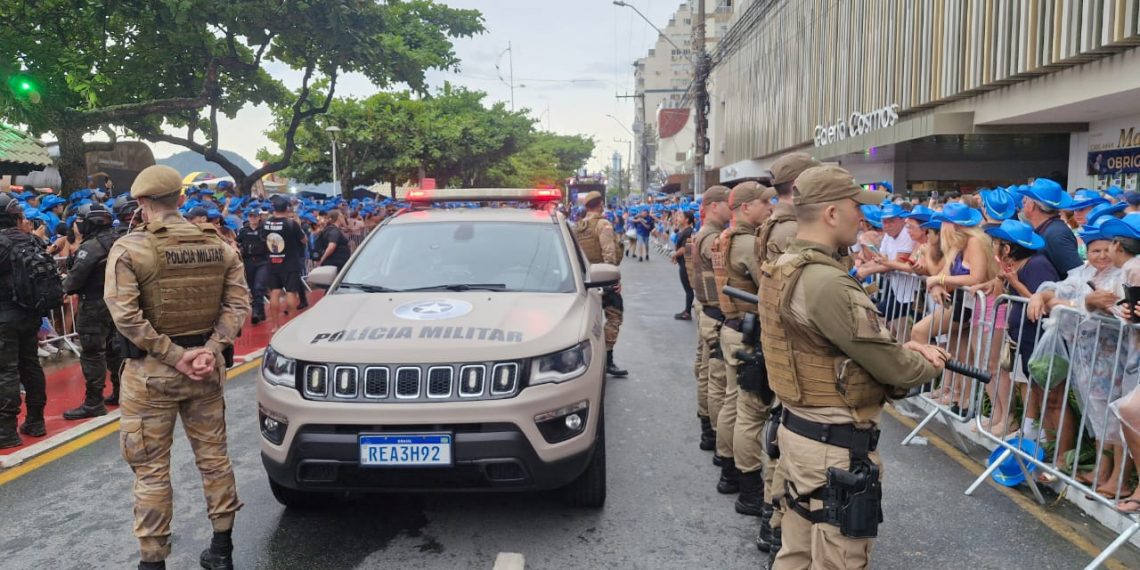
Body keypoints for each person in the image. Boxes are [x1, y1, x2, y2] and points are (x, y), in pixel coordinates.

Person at [759, 165, 946, 569]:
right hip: (832, 448)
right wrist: (928, 361)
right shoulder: (827, 282)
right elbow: (894, 368)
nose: (862, 218)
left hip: (800, 432)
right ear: (830, 214)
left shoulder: (786, 265)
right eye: (855, 206)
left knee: (796, 555)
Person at [104, 165, 250, 570]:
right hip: (205, 369)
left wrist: (172, 355)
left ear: (141, 202)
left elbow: (127, 317)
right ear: (181, 200)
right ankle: (222, 551)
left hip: (151, 374)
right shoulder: (219, 245)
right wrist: (209, 348)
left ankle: (153, 561)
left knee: (151, 470)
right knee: (215, 458)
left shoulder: (131, 249)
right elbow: (238, 305)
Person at [752, 151, 820, 555]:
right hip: (795, 346)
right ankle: (776, 521)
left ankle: (775, 517)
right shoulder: (789, 229)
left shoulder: (776, 224)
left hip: (782, 341)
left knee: (783, 432)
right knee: (788, 437)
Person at [713, 181, 774, 511]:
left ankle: (729, 472)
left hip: (732, 326)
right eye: (765, 203)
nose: (770, 208)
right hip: (747, 331)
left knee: (734, 401)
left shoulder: (728, 237)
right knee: (749, 410)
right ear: (747, 207)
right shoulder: (748, 242)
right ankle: (748, 487)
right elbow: (769, 286)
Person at [62, 204, 123, 418]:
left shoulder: (92, 247)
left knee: (92, 354)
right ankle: (121, 391)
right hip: (117, 303)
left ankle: (94, 402)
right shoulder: (119, 240)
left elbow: (74, 281)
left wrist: (63, 287)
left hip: (95, 304)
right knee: (115, 348)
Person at [0, 194, 50, 448]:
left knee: (6, 371)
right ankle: (36, 420)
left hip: (5, 317)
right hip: (30, 314)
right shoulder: (32, 240)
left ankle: (6, 430)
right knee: (30, 365)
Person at [688, 186, 731, 453]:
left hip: (707, 310)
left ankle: (709, 430)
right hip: (715, 313)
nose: (732, 207)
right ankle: (715, 436)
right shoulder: (713, 238)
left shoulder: (704, 234)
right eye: (728, 203)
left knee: (706, 374)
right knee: (717, 381)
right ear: (715, 206)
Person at [574, 191, 628, 377]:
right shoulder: (603, 224)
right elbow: (609, 255)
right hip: (603, 280)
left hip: (583, 280)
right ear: (601, 204)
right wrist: (614, 280)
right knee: (614, 317)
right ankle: (606, 359)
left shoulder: (577, 226)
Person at [1019, 178, 1083, 277]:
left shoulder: (1056, 234)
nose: (1022, 202)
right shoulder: (1048, 229)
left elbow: (1076, 274)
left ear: (1032, 205)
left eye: (1026, 199)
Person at [263, 197, 307, 331]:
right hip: (290, 263)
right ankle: (291, 324)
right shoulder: (291, 223)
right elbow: (304, 240)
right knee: (291, 293)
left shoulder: (266, 223)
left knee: (274, 293)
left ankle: (275, 325)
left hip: (273, 262)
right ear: (287, 208)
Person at [237, 207, 269, 325]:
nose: (253, 218)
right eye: (250, 216)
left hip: (263, 261)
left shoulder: (265, 229)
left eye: (255, 216)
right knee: (253, 289)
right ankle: (260, 313)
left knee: (259, 286)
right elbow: (237, 241)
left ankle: (256, 312)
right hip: (249, 261)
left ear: (259, 217)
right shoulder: (244, 230)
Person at [672, 210, 696, 320]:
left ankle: (687, 312)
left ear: (687, 219)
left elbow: (684, 248)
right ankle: (687, 310)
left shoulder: (688, 232)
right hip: (683, 262)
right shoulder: (684, 231)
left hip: (686, 263)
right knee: (688, 288)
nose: (678, 218)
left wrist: (674, 255)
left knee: (688, 288)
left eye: (680, 216)